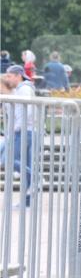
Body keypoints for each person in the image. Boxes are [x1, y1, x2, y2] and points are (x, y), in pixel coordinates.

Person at [1, 64, 36, 208]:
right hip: (21, 130)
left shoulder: (25, 89)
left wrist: (17, 127)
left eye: (10, 75)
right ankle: (27, 200)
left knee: (7, 160)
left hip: (23, 130)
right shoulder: (19, 90)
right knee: (24, 164)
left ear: (18, 75)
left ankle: (36, 179)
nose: (8, 78)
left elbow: (26, 109)